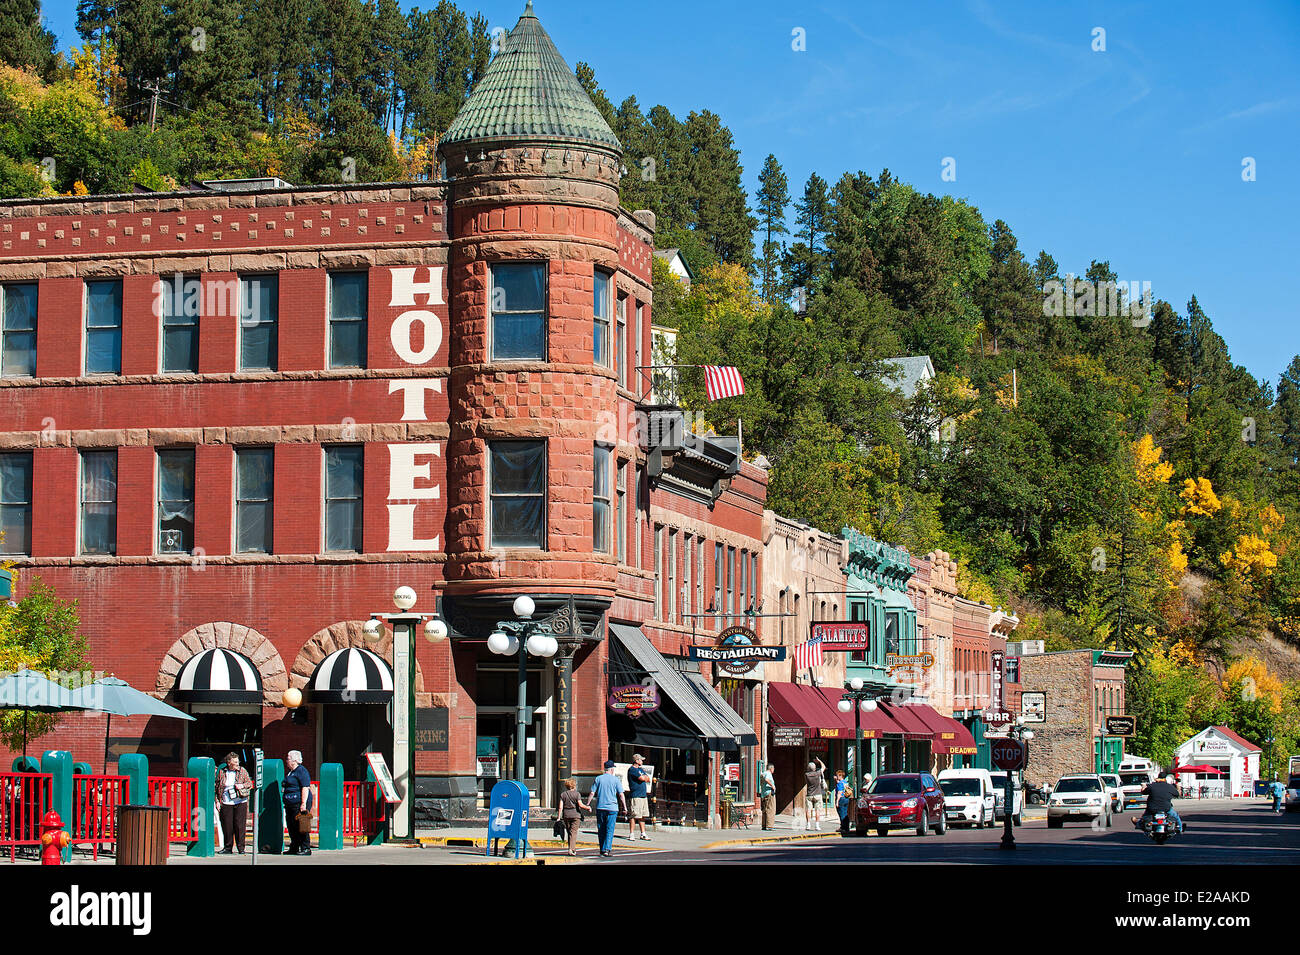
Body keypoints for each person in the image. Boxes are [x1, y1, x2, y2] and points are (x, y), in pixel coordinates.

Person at [215, 752, 253, 854]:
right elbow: (217, 787)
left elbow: (249, 784)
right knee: (227, 826)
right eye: (235, 762)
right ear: (229, 762)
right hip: (226, 801)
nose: (237, 763)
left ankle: (241, 848)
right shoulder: (222, 772)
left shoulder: (242, 771)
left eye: (237, 761)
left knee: (239, 825)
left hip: (240, 801)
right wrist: (217, 801)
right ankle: (228, 848)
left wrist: (242, 785)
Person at [589, 760, 627, 857]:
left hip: (600, 807)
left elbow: (592, 793)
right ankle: (607, 849)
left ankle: (602, 848)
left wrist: (588, 804)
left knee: (601, 828)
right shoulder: (616, 780)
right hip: (612, 808)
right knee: (610, 829)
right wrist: (625, 807)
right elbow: (621, 794)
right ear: (611, 769)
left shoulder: (598, 779)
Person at [283, 750, 314, 856]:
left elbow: (305, 787)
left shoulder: (301, 771)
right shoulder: (290, 772)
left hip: (299, 802)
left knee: (302, 825)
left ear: (294, 760)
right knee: (291, 825)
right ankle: (294, 847)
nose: (286, 760)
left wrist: (303, 803)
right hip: (290, 803)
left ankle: (306, 848)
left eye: (288, 758)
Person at [558, 778, 590, 856]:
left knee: (569, 832)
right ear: (574, 785)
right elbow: (580, 805)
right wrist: (588, 807)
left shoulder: (563, 794)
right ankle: (571, 849)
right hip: (575, 815)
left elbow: (560, 807)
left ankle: (572, 848)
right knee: (573, 832)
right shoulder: (577, 794)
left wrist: (558, 817)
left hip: (566, 815)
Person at [626, 754, 653, 841]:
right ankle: (631, 834)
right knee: (634, 815)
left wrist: (645, 778)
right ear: (636, 761)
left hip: (643, 795)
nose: (642, 761)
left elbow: (648, 778)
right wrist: (644, 778)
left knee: (642, 815)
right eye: (641, 760)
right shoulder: (632, 770)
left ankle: (643, 833)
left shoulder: (640, 769)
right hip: (636, 795)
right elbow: (641, 778)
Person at [804, 757, 826, 831]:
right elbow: (824, 767)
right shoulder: (818, 773)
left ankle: (808, 825)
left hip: (809, 794)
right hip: (818, 794)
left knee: (808, 810)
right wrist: (819, 761)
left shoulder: (806, 775)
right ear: (815, 768)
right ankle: (817, 825)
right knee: (817, 810)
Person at [833, 769, 852, 835]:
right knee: (845, 813)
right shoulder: (845, 782)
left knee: (841, 813)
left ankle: (843, 827)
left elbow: (839, 792)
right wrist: (836, 780)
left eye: (837, 775)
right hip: (846, 798)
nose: (836, 776)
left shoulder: (839, 784)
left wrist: (837, 802)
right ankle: (847, 827)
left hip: (841, 799)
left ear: (840, 776)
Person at [759, 762, 777, 830]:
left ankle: (764, 825)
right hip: (769, 793)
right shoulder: (768, 773)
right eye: (773, 768)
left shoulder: (763, 773)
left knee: (764, 809)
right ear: (771, 768)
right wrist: (772, 786)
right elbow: (767, 779)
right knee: (771, 809)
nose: (774, 770)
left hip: (764, 793)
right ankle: (769, 826)